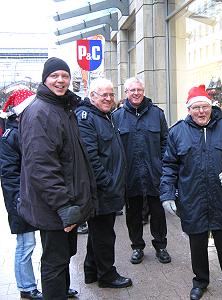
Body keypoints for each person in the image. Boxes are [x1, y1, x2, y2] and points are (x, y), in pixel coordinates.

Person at [18, 57, 97, 300]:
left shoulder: (60, 108)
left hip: (64, 204)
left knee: (61, 260)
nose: (61, 80)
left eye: (64, 76)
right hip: (56, 207)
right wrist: (64, 206)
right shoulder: (41, 112)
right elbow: (41, 167)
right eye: (55, 76)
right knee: (54, 263)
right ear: (45, 79)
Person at [160, 84, 222, 300]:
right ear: (189, 109)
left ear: (211, 107)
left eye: (204, 107)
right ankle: (200, 281)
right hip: (193, 199)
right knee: (197, 244)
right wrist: (167, 194)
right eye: (196, 107)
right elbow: (169, 166)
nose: (201, 111)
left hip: (221, 198)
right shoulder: (177, 132)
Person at [75, 78, 132, 288]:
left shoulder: (105, 116)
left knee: (98, 232)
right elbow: (91, 158)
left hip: (108, 188)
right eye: (104, 95)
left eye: (111, 94)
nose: (109, 98)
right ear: (92, 97)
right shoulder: (87, 118)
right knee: (105, 235)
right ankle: (107, 275)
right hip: (101, 190)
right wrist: (108, 183)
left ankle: (91, 271)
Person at [113, 77, 171, 265]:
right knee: (133, 215)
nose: (136, 93)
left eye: (139, 89)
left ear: (143, 91)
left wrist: (162, 166)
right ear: (126, 93)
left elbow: (165, 142)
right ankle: (137, 247)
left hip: (155, 175)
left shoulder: (157, 114)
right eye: (132, 90)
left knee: (158, 214)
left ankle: (161, 246)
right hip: (131, 177)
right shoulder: (116, 117)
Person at [0, 90, 43, 300]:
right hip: (22, 200)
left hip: (37, 198)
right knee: (26, 244)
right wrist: (19, 201)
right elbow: (9, 175)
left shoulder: (29, 130)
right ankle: (26, 287)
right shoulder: (12, 136)